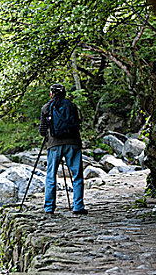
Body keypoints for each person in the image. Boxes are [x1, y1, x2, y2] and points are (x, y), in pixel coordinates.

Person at [39, 84, 87, 215]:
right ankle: (78, 206)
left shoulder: (46, 108)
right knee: (77, 175)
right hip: (73, 143)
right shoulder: (72, 106)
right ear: (65, 94)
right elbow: (77, 124)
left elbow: (42, 131)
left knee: (51, 176)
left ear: (51, 94)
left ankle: (49, 208)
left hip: (54, 145)